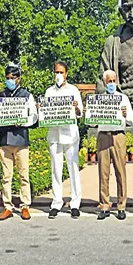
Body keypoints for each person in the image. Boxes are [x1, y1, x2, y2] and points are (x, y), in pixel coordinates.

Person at [0, 65, 37, 221]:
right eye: (8, 78)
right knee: (6, 177)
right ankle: (7, 206)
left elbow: (34, 116)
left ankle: (25, 206)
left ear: (18, 79)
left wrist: (23, 122)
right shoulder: (1, 95)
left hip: (21, 140)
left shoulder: (26, 95)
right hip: (5, 140)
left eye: (13, 78)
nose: (10, 80)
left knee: (24, 175)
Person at [45, 61, 83, 219]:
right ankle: (56, 202)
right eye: (56, 72)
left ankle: (75, 203)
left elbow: (80, 113)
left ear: (66, 74)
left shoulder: (73, 90)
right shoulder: (49, 92)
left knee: (73, 168)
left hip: (70, 135)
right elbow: (46, 113)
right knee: (56, 169)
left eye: (61, 72)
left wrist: (76, 108)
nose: (58, 75)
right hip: (54, 135)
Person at [96, 70, 133, 221]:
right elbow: (91, 121)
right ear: (104, 83)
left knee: (120, 172)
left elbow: (132, 120)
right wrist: (93, 112)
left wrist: (125, 115)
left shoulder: (123, 98)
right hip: (104, 136)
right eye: (109, 81)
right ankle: (104, 205)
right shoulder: (99, 100)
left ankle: (121, 206)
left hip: (118, 136)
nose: (111, 84)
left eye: (114, 81)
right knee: (103, 173)